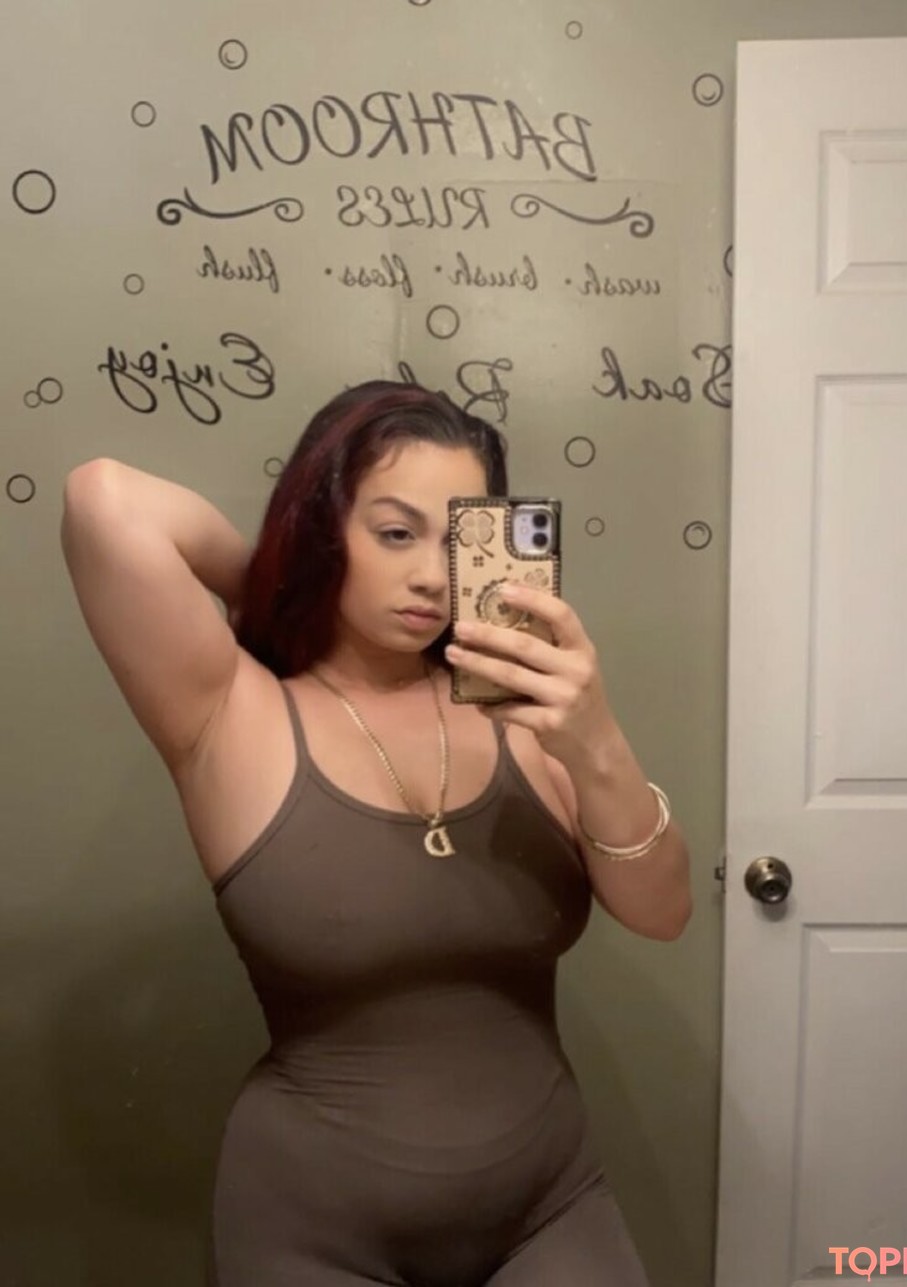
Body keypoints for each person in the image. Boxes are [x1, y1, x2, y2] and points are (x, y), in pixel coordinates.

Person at [60, 379, 691, 1287]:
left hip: (551, 1207)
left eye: (457, 537)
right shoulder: (232, 712)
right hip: (311, 1229)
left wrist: (594, 738)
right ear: (326, 529)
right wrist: (286, 585)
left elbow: (664, 911)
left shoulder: (527, 717)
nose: (432, 575)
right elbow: (102, 500)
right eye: (395, 533)